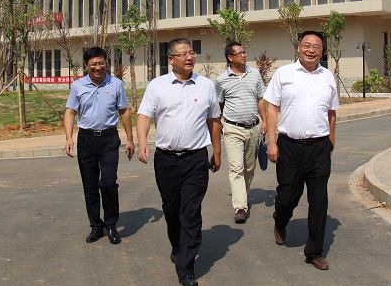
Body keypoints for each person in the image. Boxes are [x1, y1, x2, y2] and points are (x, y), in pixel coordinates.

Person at [136, 38, 222, 286]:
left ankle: (185, 267)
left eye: (192, 53)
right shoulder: (157, 85)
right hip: (166, 159)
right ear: (171, 59)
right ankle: (177, 244)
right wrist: (142, 142)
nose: (189, 57)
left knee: (191, 212)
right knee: (172, 209)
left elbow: (214, 120)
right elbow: (144, 116)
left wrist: (217, 152)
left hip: (195, 158)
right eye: (183, 54)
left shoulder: (206, 85)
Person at [264, 31, 338, 271]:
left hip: (319, 147)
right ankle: (280, 220)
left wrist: (331, 141)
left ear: (323, 51)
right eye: (307, 45)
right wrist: (272, 142)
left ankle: (314, 251)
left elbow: (331, 112)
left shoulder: (328, 77)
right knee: (287, 196)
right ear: (298, 48)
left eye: (316, 46)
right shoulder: (284, 74)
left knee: (319, 199)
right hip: (289, 146)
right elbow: (272, 108)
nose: (311, 50)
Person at [64, 47, 135, 245]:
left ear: (106, 62)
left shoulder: (115, 84)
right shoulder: (78, 86)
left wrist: (130, 138)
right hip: (86, 139)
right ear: (86, 65)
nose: (98, 67)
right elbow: (70, 112)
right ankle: (96, 226)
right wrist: (69, 137)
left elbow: (124, 111)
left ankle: (111, 224)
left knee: (109, 183)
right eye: (93, 64)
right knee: (90, 185)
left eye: (101, 63)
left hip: (109, 139)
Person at [215, 42, 266, 224]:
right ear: (230, 58)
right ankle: (240, 207)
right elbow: (219, 105)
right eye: (239, 53)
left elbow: (260, 99)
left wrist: (264, 121)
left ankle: (242, 195)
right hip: (232, 128)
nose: (244, 55)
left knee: (249, 168)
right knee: (236, 168)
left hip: (253, 128)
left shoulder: (255, 74)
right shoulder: (221, 80)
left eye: (244, 52)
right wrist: (218, 125)